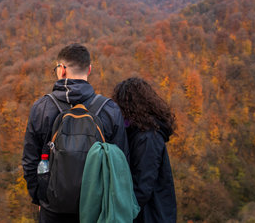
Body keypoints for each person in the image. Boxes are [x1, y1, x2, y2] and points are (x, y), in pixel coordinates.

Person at [22, 43, 129, 223]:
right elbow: (122, 162)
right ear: (89, 70)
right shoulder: (109, 109)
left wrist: (41, 197)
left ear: (62, 70)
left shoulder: (42, 108)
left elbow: (30, 160)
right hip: (97, 210)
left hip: (53, 209)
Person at [113, 77, 177, 223]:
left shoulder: (148, 137)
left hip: (152, 215)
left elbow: (142, 186)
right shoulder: (140, 133)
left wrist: (121, 214)